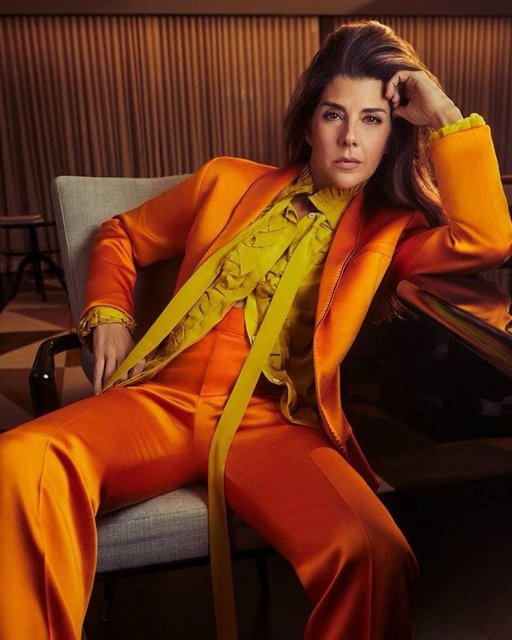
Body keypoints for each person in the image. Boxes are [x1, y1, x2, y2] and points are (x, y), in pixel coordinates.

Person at [1, 19, 511, 640]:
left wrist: (446, 115)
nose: (350, 138)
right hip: (160, 401)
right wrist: (109, 312)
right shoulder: (226, 181)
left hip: (274, 426)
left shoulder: (389, 231)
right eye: (334, 115)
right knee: (20, 462)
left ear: (392, 134)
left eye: (373, 120)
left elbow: (486, 240)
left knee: (375, 555)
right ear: (309, 124)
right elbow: (121, 234)